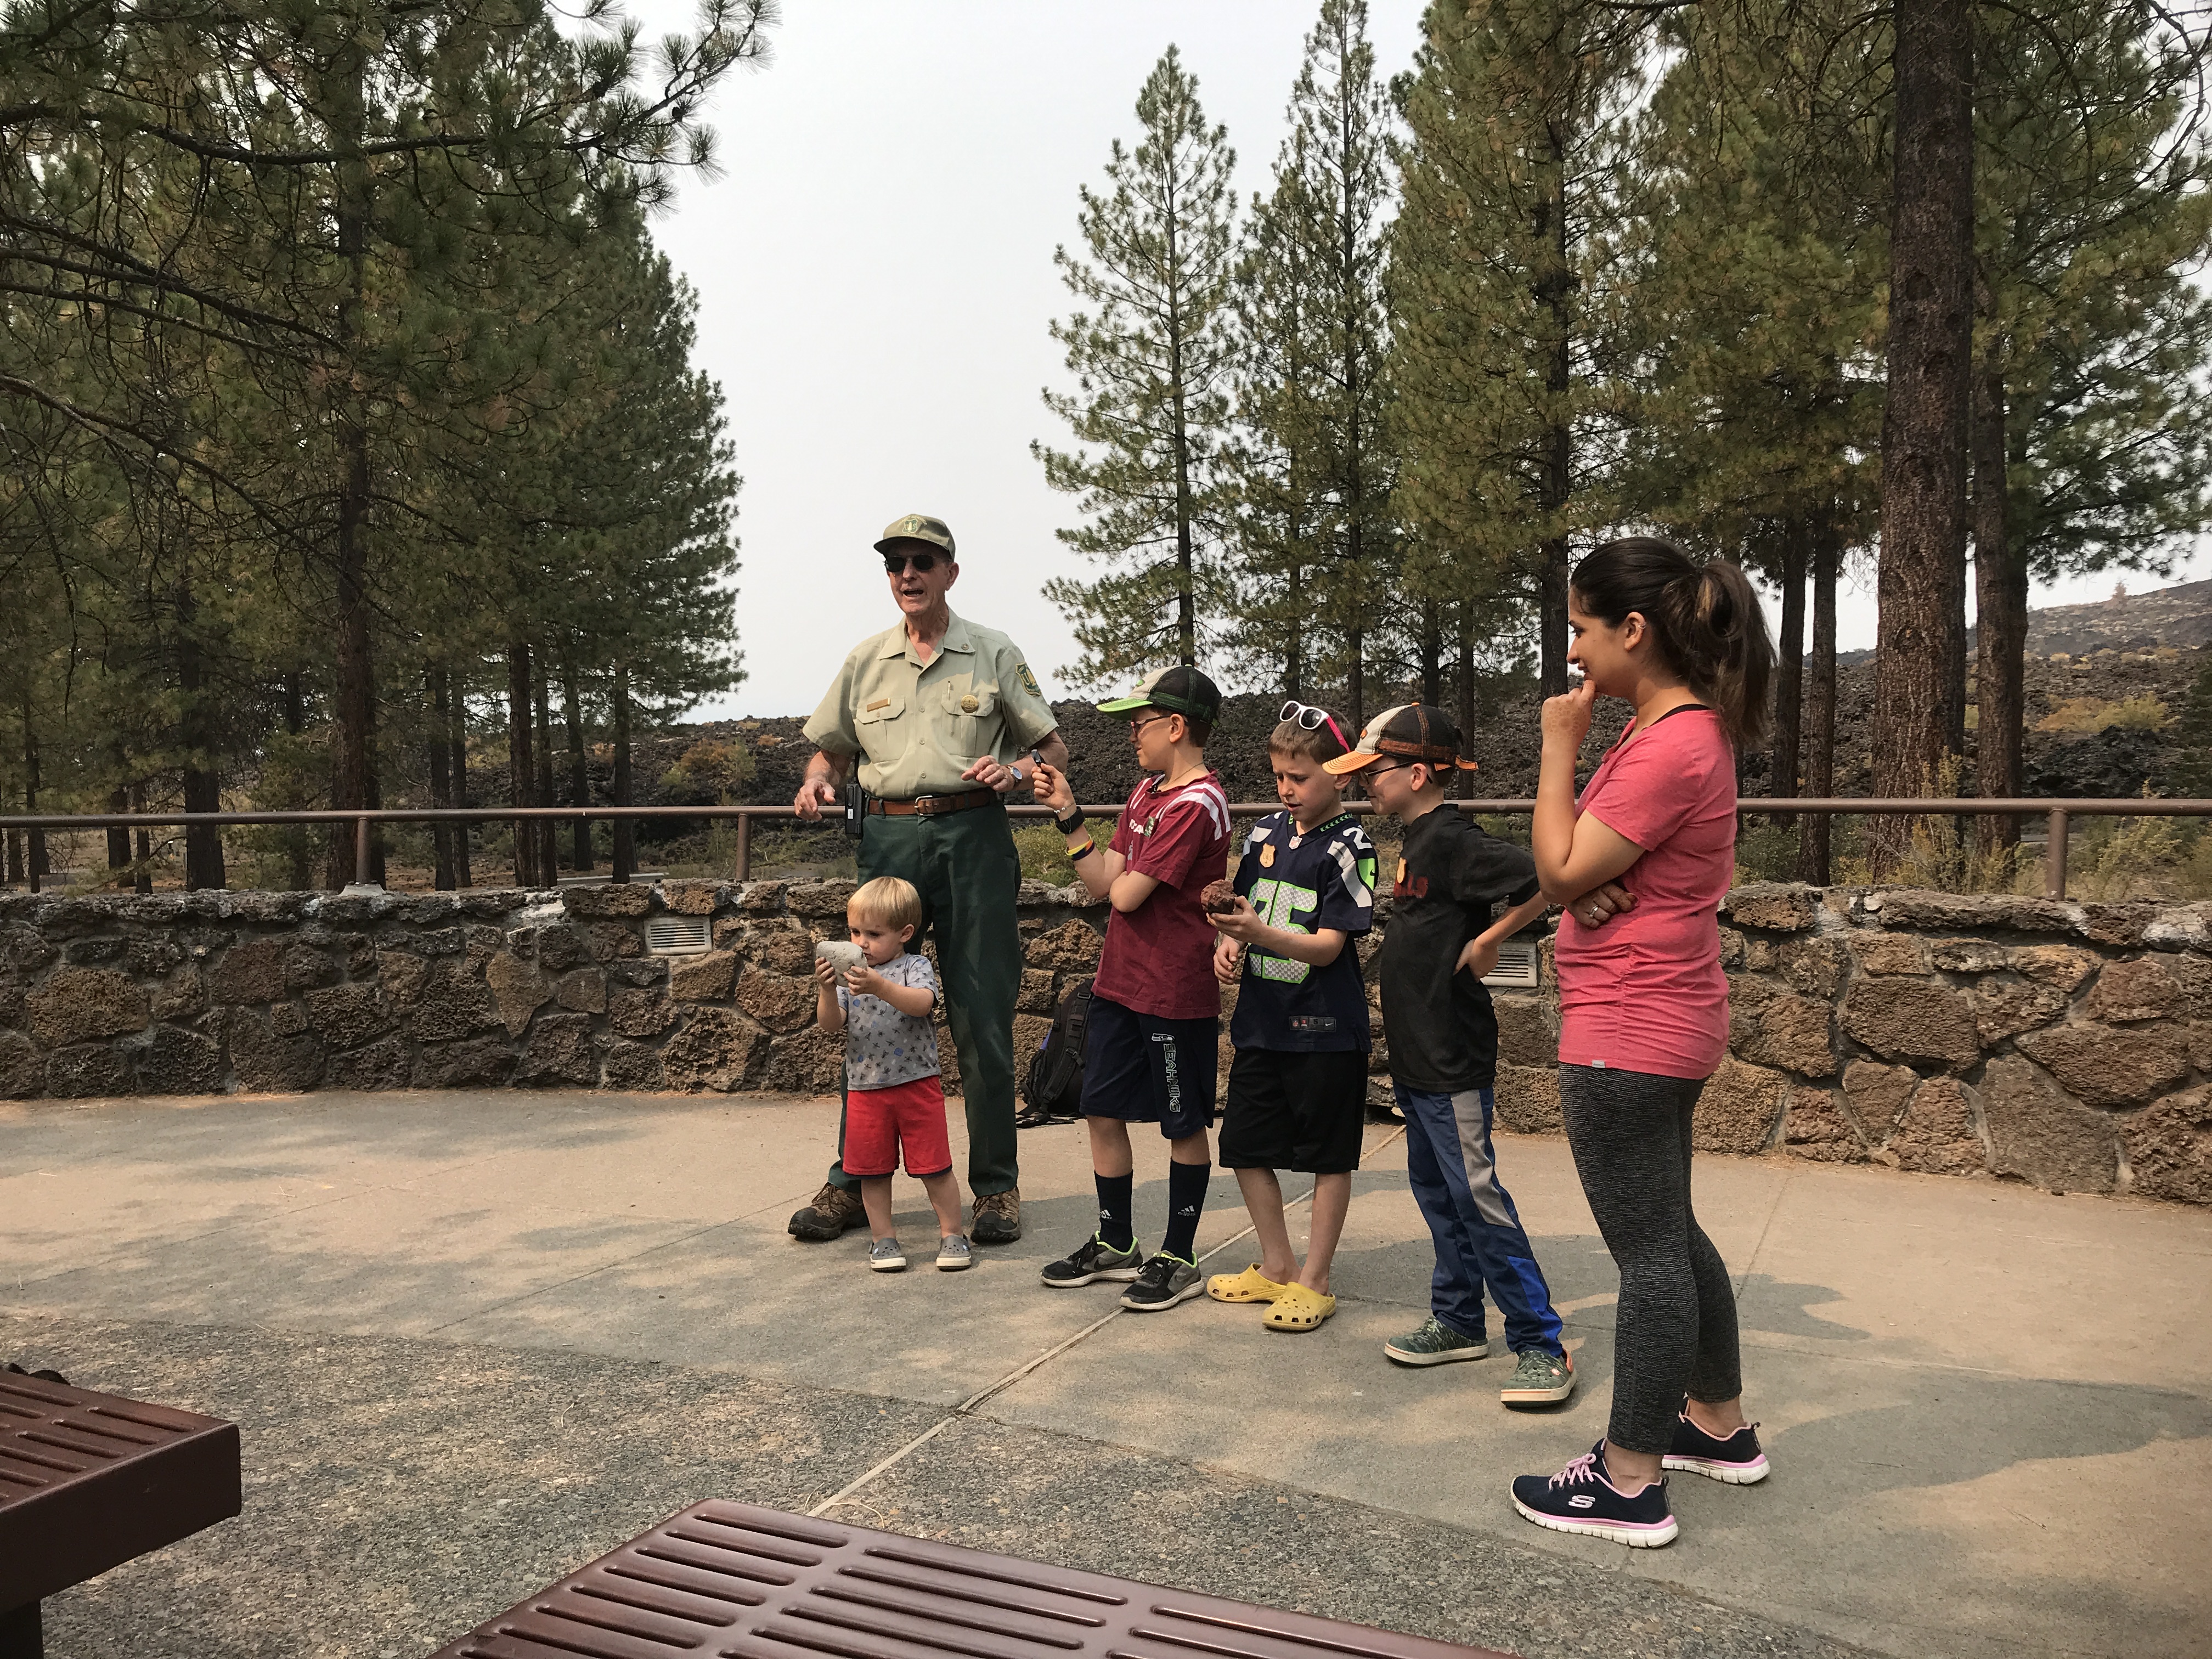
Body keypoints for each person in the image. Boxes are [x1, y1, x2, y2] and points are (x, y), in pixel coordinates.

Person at [1509, 535, 1776, 1549]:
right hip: (1665, 1011)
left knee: (1649, 1249)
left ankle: (1625, 1478)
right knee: (1674, 1227)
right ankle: (1715, 1419)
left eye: (1580, 628)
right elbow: (1593, 860)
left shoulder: (1667, 743)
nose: (1573, 651)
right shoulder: (1677, 735)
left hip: (1627, 1025)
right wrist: (1590, 878)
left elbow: (1561, 859)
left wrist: (1555, 751)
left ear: (1631, 630)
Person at [787, 514, 1069, 1248]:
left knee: (981, 1013)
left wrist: (1014, 772)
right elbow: (830, 755)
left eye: (922, 562)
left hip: (974, 834)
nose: (907, 575)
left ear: (950, 571)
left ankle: (996, 1191)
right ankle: (851, 1182)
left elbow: (1053, 752)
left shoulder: (993, 651)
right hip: (886, 837)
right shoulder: (866, 661)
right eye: (894, 565)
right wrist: (816, 783)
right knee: (868, 1011)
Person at [1322, 704, 1575, 1407]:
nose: (1367, 783)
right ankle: (1460, 1320)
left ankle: (1539, 1342)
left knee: (1477, 1195)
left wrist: (1496, 937)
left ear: (1419, 772)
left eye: (1376, 771)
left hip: (1452, 1055)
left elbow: (1548, 878)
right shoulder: (1416, 840)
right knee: (1438, 1193)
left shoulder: (1454, 839)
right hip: (1418, 1057)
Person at [1031, 667, 1232, 1312]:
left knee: (1183, 1121)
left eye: (1138, 725)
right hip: (1120, 982)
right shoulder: (1148, 791)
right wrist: (1068, 814)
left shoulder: (1196, 805)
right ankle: (1117, 1239)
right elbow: (1102, 878)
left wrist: (1085, 833)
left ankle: (1179, 1253)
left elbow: (1124, 892)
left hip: (1174, 991)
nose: (1130, 737)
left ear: (1176, 727)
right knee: (1101, 1104)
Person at [1204, 701, 1376, 1333]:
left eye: (1299, 778)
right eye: (1279, 776)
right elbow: (1242, 909)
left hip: (1325, 1030)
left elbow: (1331, 946)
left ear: (1340, 775)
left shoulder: (1352, 846)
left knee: (1329, 1156)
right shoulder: (1264, 834)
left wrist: (1258, 934)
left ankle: (1317, 1277)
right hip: (1263, 1024)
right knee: (1245, 1145)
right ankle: (1277, 1263)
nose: (1286, 789)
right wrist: (1229, 943)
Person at [811, 878, 970, 1273]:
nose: (861, 943)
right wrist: (828, 992)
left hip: (917, 1083)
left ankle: (952, 1233)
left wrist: (879, 986)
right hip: (866, 1089)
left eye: (873, 934)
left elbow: (922, 1004)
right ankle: (883, 1239)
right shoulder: (852, 977)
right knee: (873, 1171)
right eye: (855, 932)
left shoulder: (914, 967)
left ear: (904, 934)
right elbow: (833, 1025)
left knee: (935, 1167)